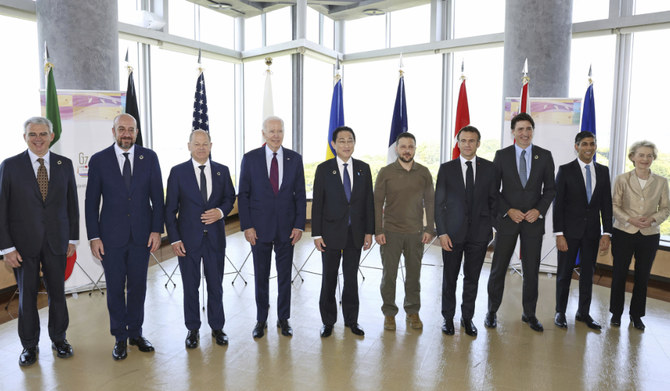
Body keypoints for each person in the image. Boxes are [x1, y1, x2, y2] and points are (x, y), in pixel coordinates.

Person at [0, 117, 79, 366]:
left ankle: (59, 339)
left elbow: (72, 205)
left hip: (57, 242)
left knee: (57, 294)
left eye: (43, 133)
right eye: (32, 134)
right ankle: (29, 347)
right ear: (25, 137)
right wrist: (6, 248)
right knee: (27, 296)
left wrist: (73, 238)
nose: (38, 138)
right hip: (23, 246)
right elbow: (1, 208)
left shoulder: (63, 164)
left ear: (51, 136)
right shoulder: (10, 166)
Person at [85, 113, 164, 360]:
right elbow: (90, 203)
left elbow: (157, 199)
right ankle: (119, 336)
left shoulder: (149, 157)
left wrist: (156, 230)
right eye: (122, 129)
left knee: (139, 287)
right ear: (114, 131)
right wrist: (94, 237)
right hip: (111, 238)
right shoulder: (99, 161)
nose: (126, 133)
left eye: (130, 129)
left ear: (137, 132)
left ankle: (136, 333)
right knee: (116, 288)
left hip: (142, 236)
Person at [165, 130, 235, 348]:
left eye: (205, 144)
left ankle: (217, 327)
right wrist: (175, 240)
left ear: (211, 145)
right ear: (189, 146)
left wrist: (221, 213)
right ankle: (192, 329)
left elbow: (230, 197)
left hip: (215, 239)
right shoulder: (178, 173)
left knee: (216, 285)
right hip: (188, 241)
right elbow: (170, 210)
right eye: (197, 144)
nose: (201, 147)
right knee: (190, 285)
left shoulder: (222, 171)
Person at [486, 112, 556, 332]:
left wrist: (539, 210)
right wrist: (508, 210)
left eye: (528, 129)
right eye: (520, 129)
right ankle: (491, 311)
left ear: (532, 131)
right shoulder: (502, 155)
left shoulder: (544, 156)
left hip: (533, 222)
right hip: (508, 221)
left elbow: (550, 189)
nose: (525, 133)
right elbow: (493, 191)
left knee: (531, 270)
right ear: (513, 133)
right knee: (498, 269)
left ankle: (530, 313)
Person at [238, 116, 306, 339]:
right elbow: (244, 195)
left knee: (285, 276)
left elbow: (300, 195)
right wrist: (247, 226)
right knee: (261, 275)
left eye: (280, 131)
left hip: (287, 229)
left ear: (283, 133)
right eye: (272, 131)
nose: (276, 135)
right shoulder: (250, 159)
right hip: (259, 229)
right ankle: (261, 319)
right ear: (263, 133)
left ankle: (283, 318)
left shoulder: (295, 159)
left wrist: (299, 225)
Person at [312, 126, 374, 338]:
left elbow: (368, 203)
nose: (346, 145)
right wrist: (316, 234)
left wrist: (369, 232)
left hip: (355, 233)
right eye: (342, 141)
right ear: (334, 144)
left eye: (350, 141)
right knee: (329, 278)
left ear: (354, 144)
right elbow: (318, 203)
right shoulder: (323, 169)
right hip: (330, 233)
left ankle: (351, 320)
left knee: (351, 278)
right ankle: (328, 321)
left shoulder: (363, 169)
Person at [435, 126, 497, 337]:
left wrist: (491, 230)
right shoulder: (446, 169)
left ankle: (467, 318)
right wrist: (442, 233)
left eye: (472, 140)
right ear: (458, 143)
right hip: (451, 235)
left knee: (472, 278)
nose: (467, 144)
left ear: (478, 143)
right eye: (463, 140)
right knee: (449, 278)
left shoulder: (490, 169)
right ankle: (447, 318)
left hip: (479, 235)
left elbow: (493, 202)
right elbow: (438, 204)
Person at [374, 132, 435, 331]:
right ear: (396, 149)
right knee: (389, 276)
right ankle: (389, 313)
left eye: (411, 146)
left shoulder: (424, 172)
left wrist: (429, 229)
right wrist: (378, 230)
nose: (407, 150)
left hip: (415, 233)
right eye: (403, 147)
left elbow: (430, 202)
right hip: (390, 233)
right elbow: (376, 203)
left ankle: (412, 311)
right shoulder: (385, 172)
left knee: (413, 276)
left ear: (415, 149)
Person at [553, 131, 612, 330]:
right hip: (568, 234)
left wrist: (607, 233)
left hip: (593, 233)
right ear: (576, 146)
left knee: (588, 274)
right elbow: (558, 204)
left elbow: (607, 205)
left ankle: (583, 313)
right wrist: (559, 234)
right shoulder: (565, 170)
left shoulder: (603, 171)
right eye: (585, 144)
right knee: (564, 273)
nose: (589, 148)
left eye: (592, 144)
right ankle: (560, 312)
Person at [609, 140, 669, 330]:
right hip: (624, 232)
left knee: (642, 277)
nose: (645, 159)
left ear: (653, 158)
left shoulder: (662, 181)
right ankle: (616, 314)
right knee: (619, 274)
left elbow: (666, 209)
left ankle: (636, 315)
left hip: (649, 234)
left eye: (649, 156)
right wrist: (630, 220)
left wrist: (652, 219)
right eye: (641, 155)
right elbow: (614, 206)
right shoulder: (622, 179)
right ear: (633, 157)